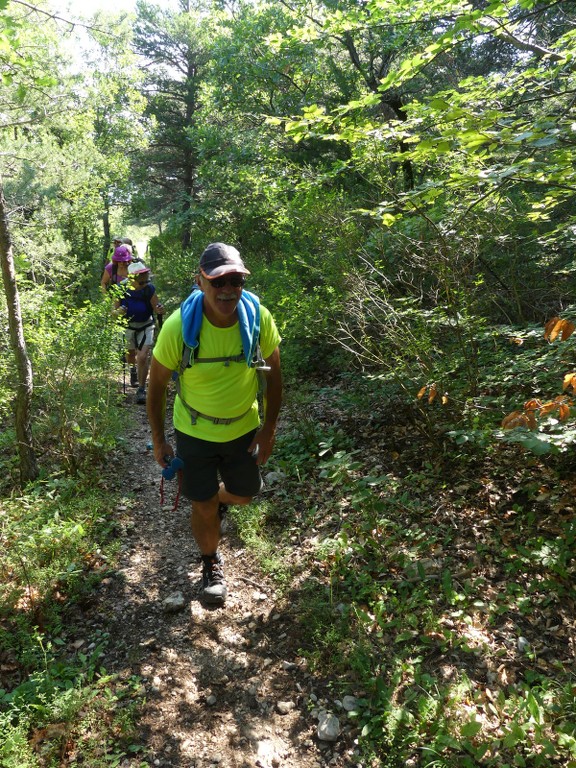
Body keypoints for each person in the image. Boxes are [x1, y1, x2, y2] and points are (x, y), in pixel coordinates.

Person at [147, 243, 282, 606]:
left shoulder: (258, 319)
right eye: (218, 281)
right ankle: (210, 564)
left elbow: (276, 376)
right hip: (194, 432)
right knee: (202, 503)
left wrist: (268, 430)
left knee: (244, 494)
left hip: (243, 429)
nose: (227, 289)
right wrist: (159, 440)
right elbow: (156, 385)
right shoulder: (178, 327)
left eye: (235, 280)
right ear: (201, 282)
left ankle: (214, 499)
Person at [114, 261, 164, 404]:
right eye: (142, 282)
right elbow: (113, 312)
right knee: (130, 355)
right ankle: (133, 370)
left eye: (146, 280)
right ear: (131, 279)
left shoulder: (149, 289)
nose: (145, 283)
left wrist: (160, 310)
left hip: (146, 325)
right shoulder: (121, 289)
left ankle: (141, 389)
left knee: (142, 357)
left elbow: (157, 307)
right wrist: (119, 312)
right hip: (128, 326)